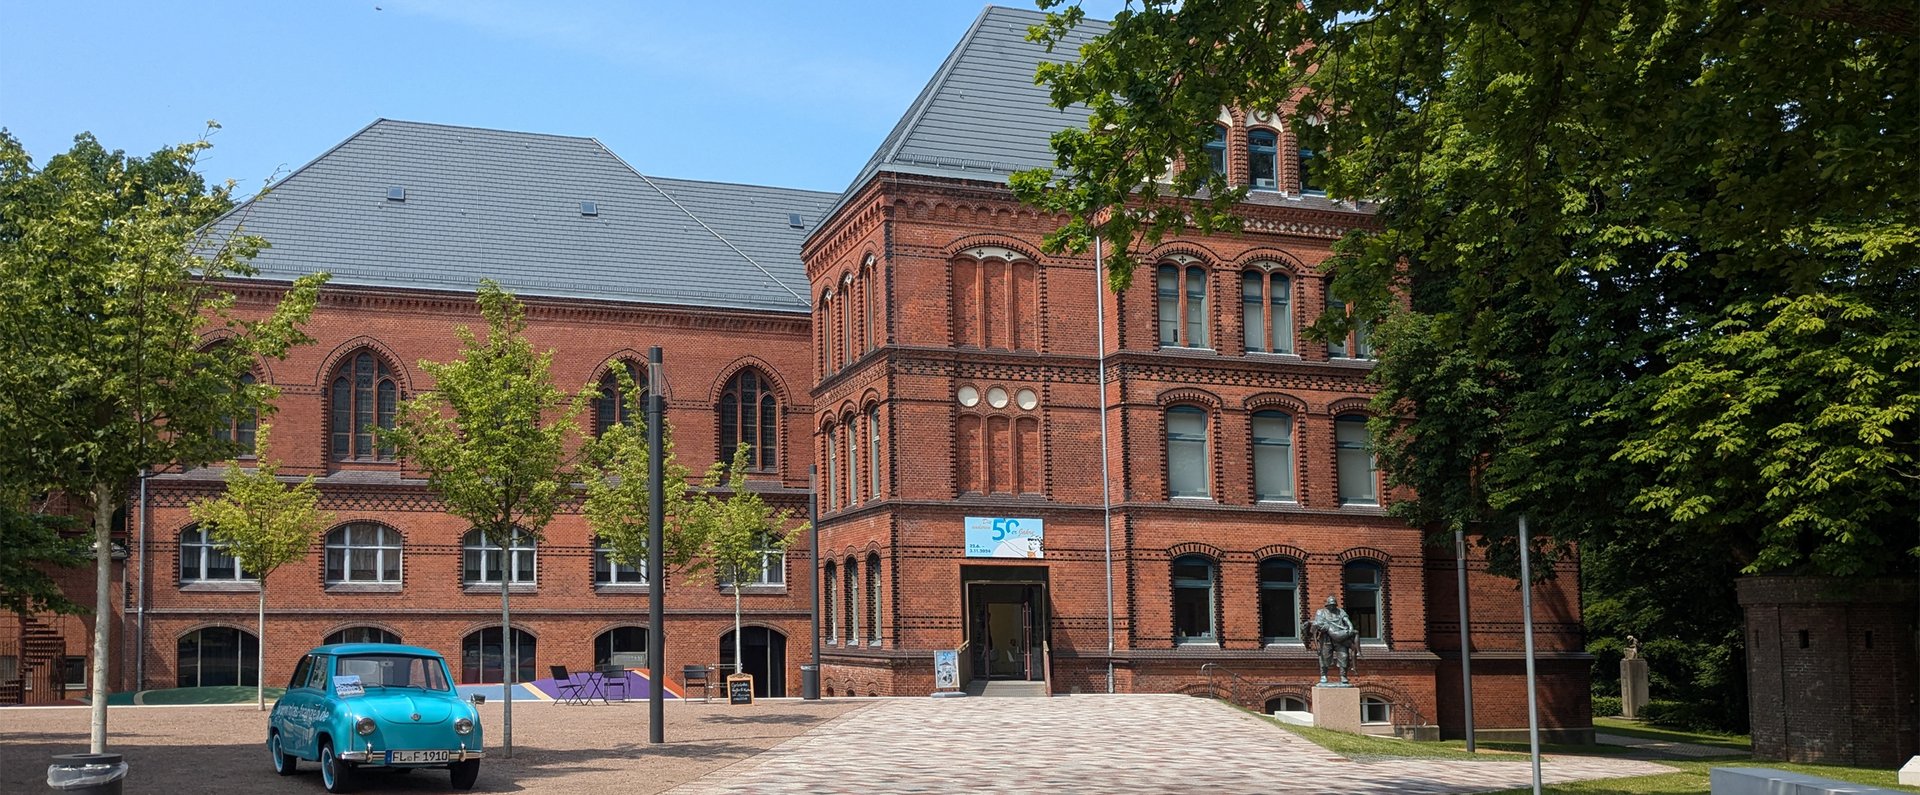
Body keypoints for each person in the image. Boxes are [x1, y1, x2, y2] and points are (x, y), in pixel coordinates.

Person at [1308, 595, 1359, 685]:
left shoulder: (1340, 611)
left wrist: (1350, 626)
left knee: (1344, 656)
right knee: (1324, 657)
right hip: (1326, 638)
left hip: (1340, 638)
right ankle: (1323, 675)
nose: (1332, 606)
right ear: (1327, 605)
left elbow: (1347, 620)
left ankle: (1343, 676)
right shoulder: (1321, 612)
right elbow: (1317, 625)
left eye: (1334, 605)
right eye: (1330, 605)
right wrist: (1323, 628)